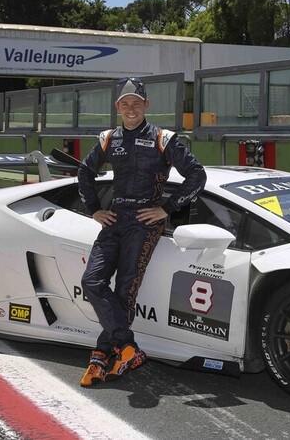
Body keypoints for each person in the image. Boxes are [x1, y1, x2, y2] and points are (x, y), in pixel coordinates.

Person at [77, 77, 206, 387]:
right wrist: (94, 209)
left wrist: (168, 208)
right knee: (91, 280)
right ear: (117, 107)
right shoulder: (109, 138)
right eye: (125, 104)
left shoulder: (164, 139)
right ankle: (127, 347)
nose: (131, 109)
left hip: (145, 223)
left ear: (146, 105)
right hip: (115, 219)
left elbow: (197, 175)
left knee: (124, 292)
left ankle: (102, 355)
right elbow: (84, 171)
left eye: (136, 103)